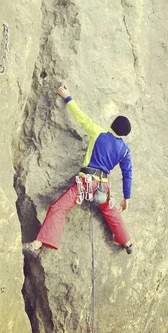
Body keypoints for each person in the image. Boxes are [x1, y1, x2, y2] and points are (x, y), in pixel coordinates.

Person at [23, 85, 133, 257]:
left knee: (58, 208)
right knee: (110, 210)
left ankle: (36, 245)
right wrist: (127, 197)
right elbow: (127, 173)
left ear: (112, 124)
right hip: (103, 187)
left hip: (86, 183)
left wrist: (67, 97)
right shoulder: (124, 149)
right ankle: (126, 241)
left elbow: (80, 117)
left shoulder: (99, 133)